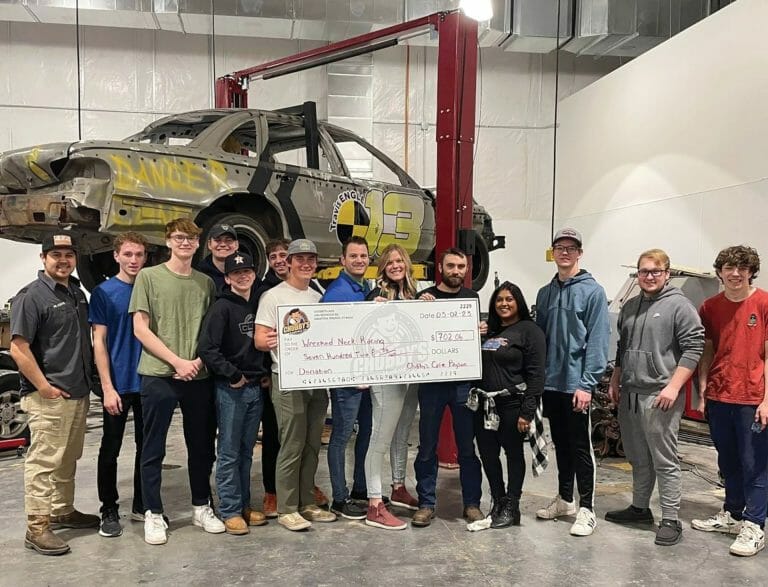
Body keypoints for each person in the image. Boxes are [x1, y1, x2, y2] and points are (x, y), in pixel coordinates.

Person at [129, 218, 224, 545]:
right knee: (152, 447)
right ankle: (153, 513)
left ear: (199, 244)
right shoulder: (148, 277)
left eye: (191, 238)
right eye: (179, 237)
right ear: (168, 241)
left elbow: (210, 332)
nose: (185, 242)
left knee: (200, 446)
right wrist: (177, 361)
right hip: (159, 375)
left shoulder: (205, 283)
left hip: (198, 375)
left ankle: (201, 505)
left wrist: (196, 362)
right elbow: (141, 329)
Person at [606, 249, 704, 546]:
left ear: (667, 273)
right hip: (630, 393)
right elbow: (623, 346)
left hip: (660, 394)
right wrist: (615, 377)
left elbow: (694, 347)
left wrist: (673, 387)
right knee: (637, 456)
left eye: (655, 271)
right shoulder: (631, 305)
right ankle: (640, 508)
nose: (648, 276)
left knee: (664, 459)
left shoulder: (679, 306)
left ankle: (671, 518)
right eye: (643, 271)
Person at [10, 233, 98, 555]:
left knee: (67, 458)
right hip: (49, 396)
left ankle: (62, 510)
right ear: (43, 258)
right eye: (56, 254)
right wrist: (44, 388)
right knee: (44, 461)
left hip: (77, 392)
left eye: (68, 254)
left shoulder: (77, 292)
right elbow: (18, 349)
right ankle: (37, 527)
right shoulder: (31, 297)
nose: (63, 260)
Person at [254, 239, 337, 531]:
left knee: (313, 443)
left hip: (317, 379)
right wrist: (272, 340)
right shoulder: (273, 297)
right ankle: (288, 507)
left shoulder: (318, 295)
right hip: (288, 378)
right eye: (299, 259)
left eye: (311, 259)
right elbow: (259, 339)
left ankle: (307, 502)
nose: (306, 264)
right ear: (288, 262)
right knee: (291, 443)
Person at [691, 245, 768, 557]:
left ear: (751, 271)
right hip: (720, 395)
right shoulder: (710, 307)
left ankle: (755, 524)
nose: (736, 274)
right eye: (729, 268)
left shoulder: (763, 302)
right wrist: (702, 387)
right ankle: (734, 514)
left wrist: (766, 400)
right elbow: (708, 349)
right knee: (728, 461)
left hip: (752, 396)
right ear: (720, 271)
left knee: (756, 464)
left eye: (742, 268)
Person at [535, 227, 610, 537]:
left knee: (581, 447)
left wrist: (587, 383)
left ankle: (587, 508)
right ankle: (565, 499)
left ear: (580, 253)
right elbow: (538, 339)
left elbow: (598, 340)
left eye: (571, 248)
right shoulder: (545, 293)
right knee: (561, 445)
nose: (564, 252)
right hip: (551, 385)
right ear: (553, 253)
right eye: (559, 247)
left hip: (576, 385)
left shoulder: (593, 292)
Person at [411, 248, 484, 527]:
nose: (456, 271)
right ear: (440, 267)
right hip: (432, 384)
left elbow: (473, 339)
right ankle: (426, 503)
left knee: (467, 447)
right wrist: (419, 310)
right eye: (451, 266)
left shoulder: (471, 299)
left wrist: (479, 331)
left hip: (462, 383)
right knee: (428, 446)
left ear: (466, 270)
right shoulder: (425, 297)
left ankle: (472, 503)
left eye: (461, 267)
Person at [198, 251, 270, 535]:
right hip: (231, 389)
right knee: (228, 451)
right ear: (227, 278)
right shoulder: (221, 308)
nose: (243, 276)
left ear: (254, 273)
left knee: (245, 451)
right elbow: (207, 348)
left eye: (247, 271)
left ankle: (243, 505)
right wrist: (233, 374)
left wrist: (260, 374)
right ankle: (228, 509)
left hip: (255, 388)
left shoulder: (258, 304)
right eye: (236, 273)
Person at [89, 232, 149, 538]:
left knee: (147, 448)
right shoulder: (104, 293)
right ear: (116, 256)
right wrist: (107, 387)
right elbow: (98, 342)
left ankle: (142, 504)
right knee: (110, 448)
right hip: (118, 384)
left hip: (148, 382)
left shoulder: (150, 287)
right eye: (128, 254)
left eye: (139, 255)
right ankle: (108, 509)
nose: (134, 260)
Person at [475, 281, 545, 528]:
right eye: (499, 300)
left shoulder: (529, 331)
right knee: (488, 454)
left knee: (513, 454)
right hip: (485, 406)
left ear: (518, 303)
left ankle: (512, 505)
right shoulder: (489, 331)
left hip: (513, 404)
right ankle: (498, 499)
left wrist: (527, 411)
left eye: (509, 299)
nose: (503, 304)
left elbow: (536, 375)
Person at [363, 243, 420, 530]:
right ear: (383, 267)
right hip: (386, 378)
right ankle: (375, 503)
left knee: (402, 434)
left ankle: (398, 486)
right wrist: (371, 312)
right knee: (380, 439)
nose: (396, 265)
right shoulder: (376, 296)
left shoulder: (413, 293)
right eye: (390, 262)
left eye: (400, 260)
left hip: (410, 376)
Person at [322, 236, 372, 520]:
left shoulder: (363, 288)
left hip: (367, 376)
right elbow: (332, 341)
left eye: (363, 256)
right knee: (341, 436)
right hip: (347, 380)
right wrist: (349, 374)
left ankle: (360, 490)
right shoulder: (337, 293)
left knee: (365, 433)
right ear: (342, 260)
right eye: (353, 256)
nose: (359, 261)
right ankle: (339, 498)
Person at [197, 223, 240, 291]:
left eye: (228, 240)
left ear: (236, 245)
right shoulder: (200, 274)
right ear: (209, 244)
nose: (223, 244)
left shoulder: (246, 270)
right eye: (218, 240)